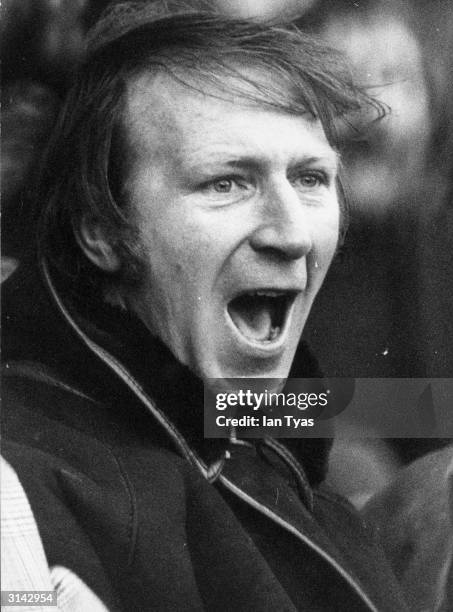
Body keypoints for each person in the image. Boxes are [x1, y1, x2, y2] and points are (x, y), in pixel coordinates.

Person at [2, 2, 408, 610]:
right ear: (102, 232)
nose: (293, 233)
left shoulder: (278, 427)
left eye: (311, 179)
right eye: (227, 182)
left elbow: (417, 413)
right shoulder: (23, 487)